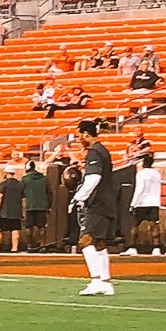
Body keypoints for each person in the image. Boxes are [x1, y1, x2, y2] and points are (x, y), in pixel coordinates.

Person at [72, 121, 118, 294]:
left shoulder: (94, 152)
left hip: (97, 203)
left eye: (79, 136)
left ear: (86, 134)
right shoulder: (103, 150)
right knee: (99, 243)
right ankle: (105, 282)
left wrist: (78, 197)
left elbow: (94, 178)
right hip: (107, 202)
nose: (79, 139)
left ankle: (96, 279)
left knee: (85, 241)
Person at [127, 152, 163, 255]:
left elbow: (140, 189)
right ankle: (156, 248)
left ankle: (132, 247)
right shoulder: (157, 174)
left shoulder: (141, 174)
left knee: (135, 225)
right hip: (154, 202)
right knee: (154, 225)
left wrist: (133, 203)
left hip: (142, 202)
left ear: (143, 163)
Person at [0, 165, 25, 253]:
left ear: (6, 173)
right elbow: (23, 198)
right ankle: (14, 248)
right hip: (16, 212)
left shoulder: (3, 184)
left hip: (3, 212)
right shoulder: (20, 184)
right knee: (15, 229)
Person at [22, 158, 50, 251]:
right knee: (42, 227)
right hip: (42, 206)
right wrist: (49, 205)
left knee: (28, 227)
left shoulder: (25, 179)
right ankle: (42, 245)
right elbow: (50, 193)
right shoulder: (44, 179)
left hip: (29, 206)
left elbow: (22, 193)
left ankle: (29, 245)